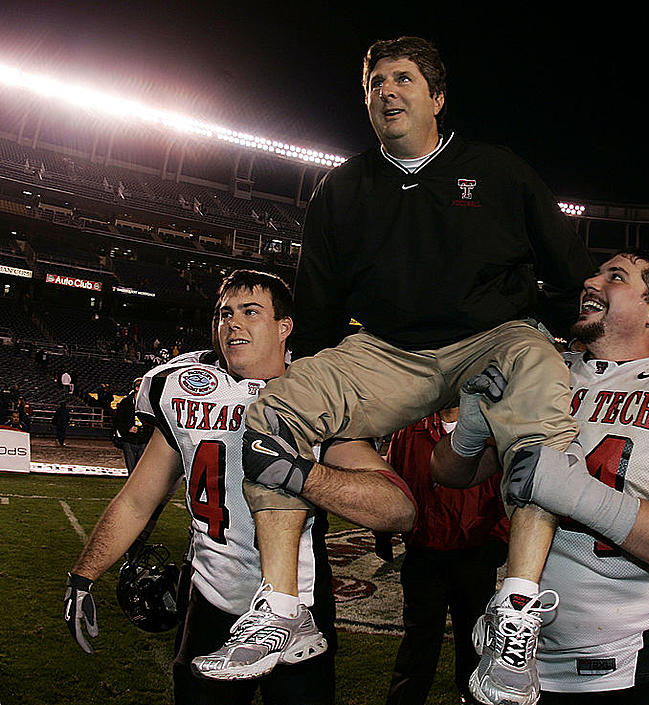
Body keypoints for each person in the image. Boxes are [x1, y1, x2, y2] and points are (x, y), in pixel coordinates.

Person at [195, 36, 594, 705]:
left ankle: (515, 611)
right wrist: (321, 392)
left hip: (488, 337)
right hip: (387, 351)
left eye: (403, 78)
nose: (387, 91)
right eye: (375, 81)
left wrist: (536, 326)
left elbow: (569, 277)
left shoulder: (498, 171)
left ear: (437, 97)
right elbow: (318, 316)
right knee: (275, 410)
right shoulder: (343, 188)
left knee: (541, 378)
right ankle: (284, 609)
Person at [432, 250, 649, 702]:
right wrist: (472, 426)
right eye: (594, 273)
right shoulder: (546, 374)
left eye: (615, 276)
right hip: (515, 653)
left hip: (632, 663)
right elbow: (450, 474)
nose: (591, 282)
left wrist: (576, 494)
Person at [64, 270, 416, 705]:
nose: (233, 323)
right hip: (210, 597)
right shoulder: (187, 391)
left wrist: (303, 474)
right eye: (224, 313)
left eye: (251, 312)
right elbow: (138, 499)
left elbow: (397, 508)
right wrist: (84, 574)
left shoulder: (316, 398)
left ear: (284, 327)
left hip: (297, 606)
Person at [379, 407, 509, 705]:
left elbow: (507, 487)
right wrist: (383, 532)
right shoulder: (409, 429)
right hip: (424, 554)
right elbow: (391, 480)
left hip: (475, 554)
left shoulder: (491, 429)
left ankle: (473, 695)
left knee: (474, 638)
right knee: (419, 640)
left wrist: (500, 536)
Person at [112, 377, 151, 474]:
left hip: (143, 439)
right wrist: (128, 429)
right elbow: (118, 420)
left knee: (140, 469)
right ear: (137, 388)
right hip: (129, 439)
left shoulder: (148, 403)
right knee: (131, 468)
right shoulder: (126, 402)